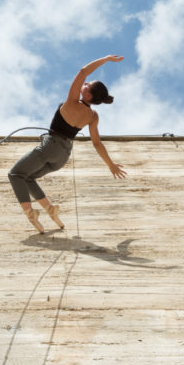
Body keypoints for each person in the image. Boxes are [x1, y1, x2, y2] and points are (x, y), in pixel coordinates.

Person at [8, 55, 127, 234]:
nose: (84, 83)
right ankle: (50, 209)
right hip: (63, 156)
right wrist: (110, 165)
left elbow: (83, 71)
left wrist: (106, 59)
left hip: (50, 146)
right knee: (28, 178)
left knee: (15, 174)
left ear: (88, 94)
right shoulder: (93, 116)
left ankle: (30, 213)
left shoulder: (72, 100)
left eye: (87, 85)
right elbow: (97, 143)